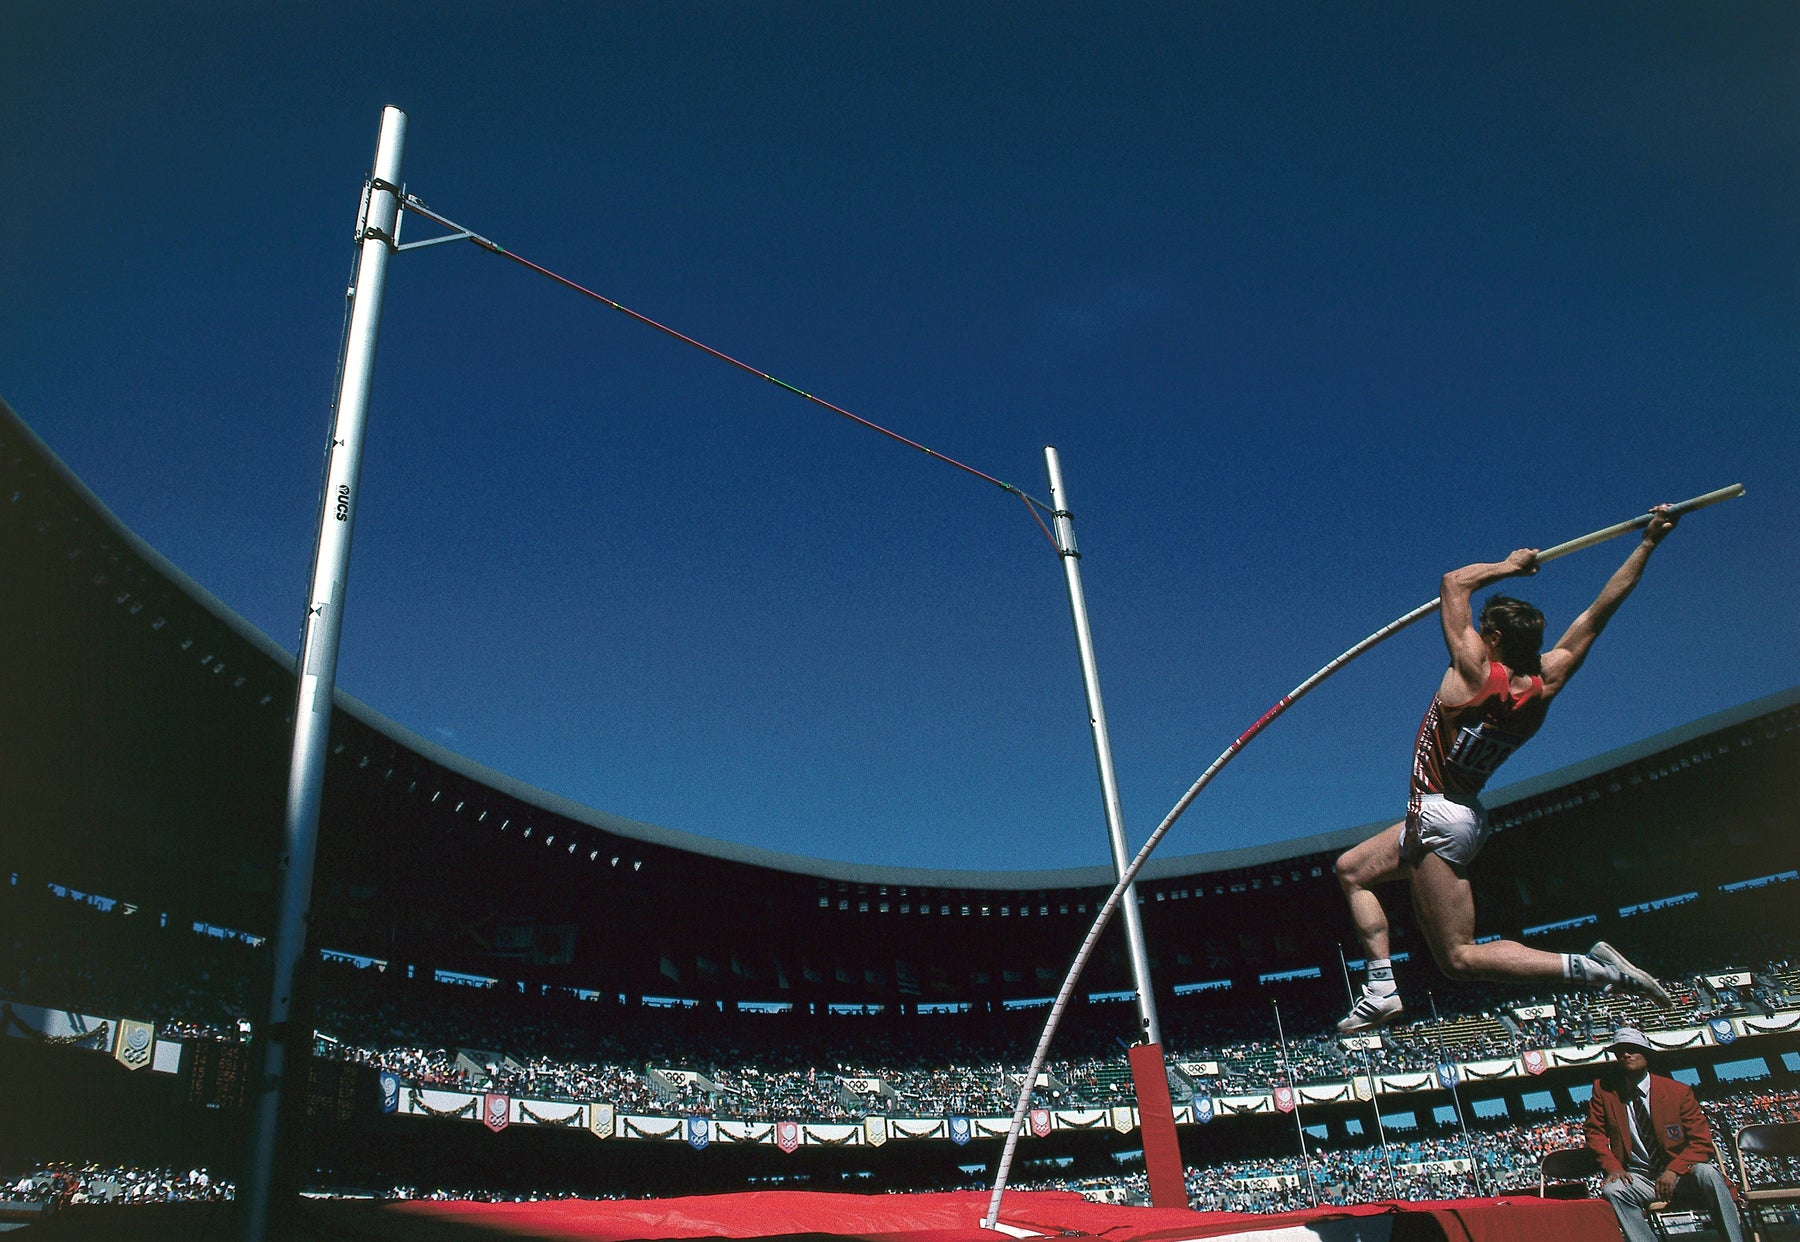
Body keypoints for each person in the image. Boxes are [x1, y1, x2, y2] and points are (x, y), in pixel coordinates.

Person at [1335, 506, 1680, 1033]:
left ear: (1493, 639)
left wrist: (1510, 565)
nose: (1474, 631)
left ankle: (1593, 970)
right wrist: (1648, 544)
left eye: (1483, 628)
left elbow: (1454, 582)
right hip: (1458, 812)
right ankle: (1381, 986)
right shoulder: (1547, 683)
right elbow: (1597, 614)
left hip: (1437, 815)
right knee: (1353, 870)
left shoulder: (1472, 672)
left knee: (1459, 958)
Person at [1585, 1026, 1746, 1242]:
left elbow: (1701, 1143)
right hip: (1639, 1177)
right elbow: (1594, 1132)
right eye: (1620, 1051)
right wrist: (1612, 1166)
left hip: (1682, 1175)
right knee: (1614, 1190)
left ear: (1647, 1053)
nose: (1625, 1054)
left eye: (1632, 1049)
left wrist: (1673, 1170)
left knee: (1709, 1173)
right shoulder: (1604, 1090)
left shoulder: (1677, 1092)